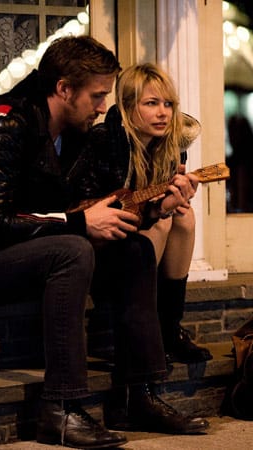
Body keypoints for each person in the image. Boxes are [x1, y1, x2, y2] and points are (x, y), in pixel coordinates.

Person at [0, 36, 208, 449]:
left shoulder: (72, 132)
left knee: (132, 246)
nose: (102, 106)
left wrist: (152, 210)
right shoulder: (5, 125)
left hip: (27, 249)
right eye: (96, 95)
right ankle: (60, 408)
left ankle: (140, 394)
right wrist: (77, 222)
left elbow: (87, 208)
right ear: (63, 89)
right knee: (72, 249)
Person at [79, 63, 213, 366]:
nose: (163, 113)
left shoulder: (171, 146)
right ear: (127, 107)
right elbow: (95, 207)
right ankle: (147, 333)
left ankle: (169, 328)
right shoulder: (105, 141)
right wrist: (155, 211)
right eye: (151, 104)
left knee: (183, 216)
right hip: (104, 248)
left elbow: (161, 205)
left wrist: (175, 196)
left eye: (168, 104)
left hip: (139, 237)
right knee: (162, 224)